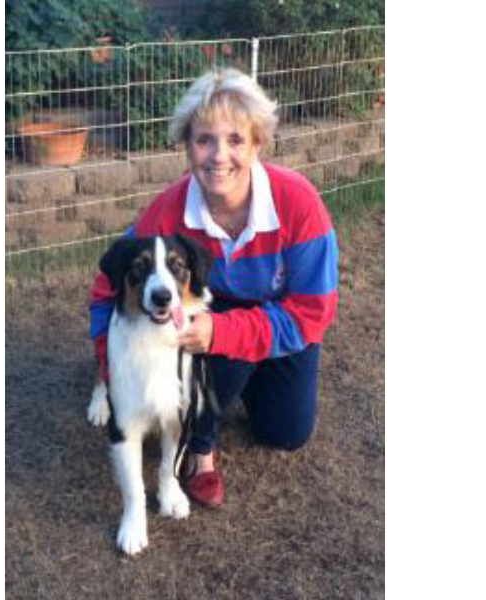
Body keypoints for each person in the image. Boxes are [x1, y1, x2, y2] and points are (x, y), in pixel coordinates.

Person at [90, 67, 339, 509]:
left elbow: (313, 312)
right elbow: (105, 290)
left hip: (278, 324)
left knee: (285, 433)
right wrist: (110, 375)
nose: (218, 155)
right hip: (209, 320)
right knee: (215, 340)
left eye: (236, 140)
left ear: (258, 144)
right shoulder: (168, 211)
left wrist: (227, 334)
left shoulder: (299, 203)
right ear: (187, 146)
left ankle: (243, 376)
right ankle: (199, 451)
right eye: (204, 139)